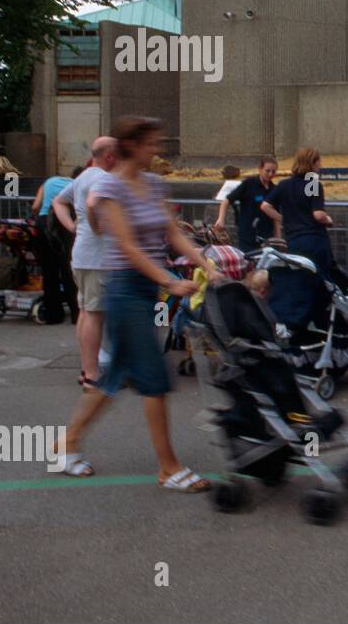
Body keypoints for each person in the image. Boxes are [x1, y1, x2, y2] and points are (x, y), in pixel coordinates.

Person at [55, 117, 218, 491]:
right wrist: (168, 280)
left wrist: (206, 264)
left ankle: (66, 444)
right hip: (126, 290)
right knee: (153, 379)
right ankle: (169, 468)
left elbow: (171, 231)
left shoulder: (153, 184)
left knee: (113, 380)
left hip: (144, 291)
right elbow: (126, 245)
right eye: (151, 144)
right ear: (131, 145)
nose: (157, 150)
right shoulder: (111, 187)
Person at [52, 136, 120, 390]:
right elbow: (93, 204)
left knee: (85, 311)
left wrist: (73, 226)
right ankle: (92, 374)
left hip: (82, 255)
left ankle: (87, 369)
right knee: (93, 314)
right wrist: (95, 225)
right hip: (98, 258)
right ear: (110, 157)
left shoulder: (82, 176)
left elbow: (58, 201)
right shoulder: (103, 178)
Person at [260, 147, 334, 328]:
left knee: (300, 284)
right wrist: (329, 219)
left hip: (294, 241)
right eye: (318, 162)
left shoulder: (285, 184)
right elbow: (317, 214)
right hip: (314, 240)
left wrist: (284, 220)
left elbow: (265, 206)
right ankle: (324, 324)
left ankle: (296, 323)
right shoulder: (312, 183)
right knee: (322, 284)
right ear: (312, 163)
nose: (320, 165)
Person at [32, 170, 77, 324]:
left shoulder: (48, 182)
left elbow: (35, 206)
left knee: (49, 270)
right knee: (67, 269)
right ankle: (76, 313)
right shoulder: (75, 184)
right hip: (63, 223)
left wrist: (37, 218)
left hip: (44, 223)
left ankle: (53, 315)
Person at [215, 156, 278, 251]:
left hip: (266, 234)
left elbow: (275, 216)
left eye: (273, 171)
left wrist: (278, 237)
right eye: (267, 171)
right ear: (260, 169)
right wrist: (221, 219)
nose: (270, 174)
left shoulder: (274, 189)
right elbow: (227, 201)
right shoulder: (249, 183)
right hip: (248, 233)